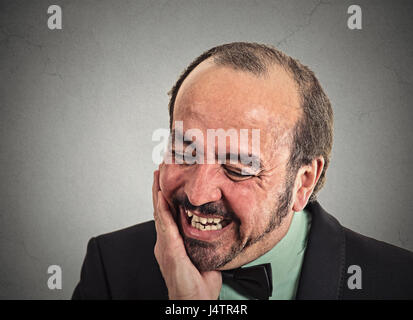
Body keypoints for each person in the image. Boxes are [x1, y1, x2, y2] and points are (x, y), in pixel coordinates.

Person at [72, 42, 413, 300]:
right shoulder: (110, 267)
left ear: (303, 181)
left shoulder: (398, 281)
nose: (197, 193)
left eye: (238, 167)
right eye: (184, 152)